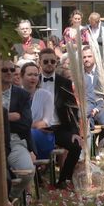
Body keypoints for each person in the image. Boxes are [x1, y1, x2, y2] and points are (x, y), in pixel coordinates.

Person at [38, 48, 82, 189]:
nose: (49, 64)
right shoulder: (34, 81)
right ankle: (38, 180)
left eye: (53, 61)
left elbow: (73, 108)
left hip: (59, 127)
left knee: (76, 147)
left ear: (56, 63)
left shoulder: (64, 82)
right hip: (39, 128)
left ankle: (64, 179)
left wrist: (75, 132)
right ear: (40, 63)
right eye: (46, 61)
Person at [0, 61, 35, 201]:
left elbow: (26, 123)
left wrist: (2, 117)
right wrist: (10, 116)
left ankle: (10, 199)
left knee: (27, 172)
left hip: (15, 140)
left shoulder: (22, 94)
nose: (9, 72)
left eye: (11, 69)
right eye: (4, 69)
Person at [20, 62, 55, 160]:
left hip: (42, 134)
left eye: (35, 75)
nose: (33, 78)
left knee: (29, 135)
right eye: (30, 75)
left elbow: (46, 122)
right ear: (22, 76)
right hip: (21, 134)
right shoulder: (16, 94)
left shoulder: (46, 95)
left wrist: (26, 126)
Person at [82, 46, 104, 151]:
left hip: (100, 106)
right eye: (84, 57)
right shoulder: (79, 74)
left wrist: (98, 108)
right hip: (86, 108)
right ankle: (91, 149)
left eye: (89, 56)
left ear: (94, 57)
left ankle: (101, 146)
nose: (87, 59)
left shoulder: (102, 73)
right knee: (87, 124)